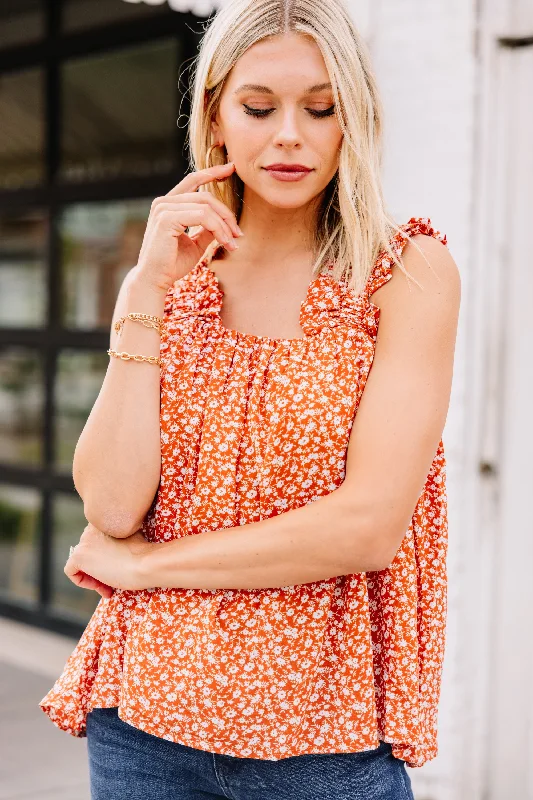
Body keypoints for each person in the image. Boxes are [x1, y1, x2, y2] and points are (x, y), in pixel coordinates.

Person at [39, 1, 461, 798]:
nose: (290, 136)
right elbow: (112, 504)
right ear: (216, 116)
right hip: (143, 722)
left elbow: (366, 528)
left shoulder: (405, 272)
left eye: (321, 108)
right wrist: (145, 289)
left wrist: (145, 571)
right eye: (259, 108)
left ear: (355, 119)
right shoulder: (179, 274)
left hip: (324, 740)